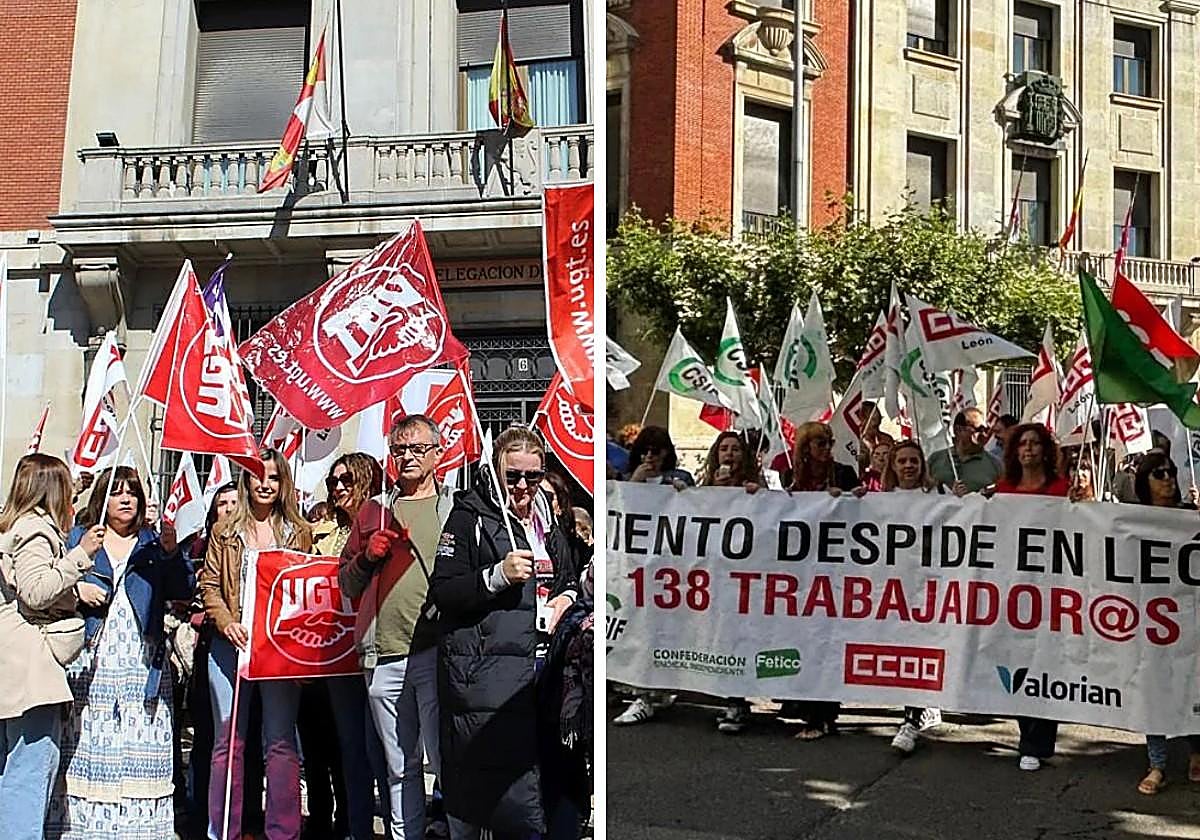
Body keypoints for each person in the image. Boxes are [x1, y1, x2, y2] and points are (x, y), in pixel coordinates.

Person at [430, 426, 566, 839]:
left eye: (533, 476)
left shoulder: (546, 514)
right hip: (487, 673)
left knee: (540, 784)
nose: (523, 486)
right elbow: (444, 591)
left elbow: (567, 573)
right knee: (491, 796)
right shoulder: (469, 514)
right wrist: (496, 576)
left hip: (543, 666)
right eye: (513, 476)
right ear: (495, 471)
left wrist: (567, 596)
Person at [46, 466, 192, 839]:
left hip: (142, 660)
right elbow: (52, 584)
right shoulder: (81, 537)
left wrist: (173, 552)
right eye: (117, 492)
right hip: (93, 656)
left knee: (139, 735)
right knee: (90, 735)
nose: (126, 499)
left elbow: (183, 589)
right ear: (103, 498)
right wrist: (78, 590)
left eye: (133, 493)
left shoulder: (152, 542)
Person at [340, 419, 455, 840]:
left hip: (435, 653)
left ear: (437, 453)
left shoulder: (453, 509)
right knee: (399, 767)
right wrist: (367, 557)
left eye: (416, 448)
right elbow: (346, 583)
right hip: (383, 655)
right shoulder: (374, 510)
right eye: (399, 449)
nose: (406, 456)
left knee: (445, 760)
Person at [199, 449, 312, 840]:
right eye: (257, 476)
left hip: (277, 651)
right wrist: (226, 622)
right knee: (228, 741)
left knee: (280, 741)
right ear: (246, 480)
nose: (265, 484)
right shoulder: (225, 530)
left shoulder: (298, 532)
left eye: (274, 478)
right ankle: (223, 830)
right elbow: (209, 585)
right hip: (230, 647)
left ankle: (283, 831)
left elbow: (304, 591)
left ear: (284, 484)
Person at [0, 455, 105, 840]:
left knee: (13, 767)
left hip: (12, 668)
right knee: (30, 769)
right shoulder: (35, 532)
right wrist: (81, 557)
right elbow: (35, 590)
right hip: (30, 669)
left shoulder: (14, 526)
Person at [310, 453, 391, 840]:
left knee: (386, 750)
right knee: (350, 750)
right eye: (332, 481)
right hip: (335, 656)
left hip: (380, 647)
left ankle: (395, 826)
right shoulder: (318, 533)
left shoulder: (387, 522)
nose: (338, 487)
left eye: (346, 479)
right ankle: (357, 829)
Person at [993, 424, 1068, 771]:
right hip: (1014, 589)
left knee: (1046, 661)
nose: (1028, 450)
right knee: (1021, 659)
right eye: (1022, 444)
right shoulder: (1003, 490)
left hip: (1055, 589)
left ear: (1045, 450)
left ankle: (1038, 742)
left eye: (1035, 443)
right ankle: (1029, 737)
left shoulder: (1062, 490)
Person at [1131, 451, 1200, 793]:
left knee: (1192, 683)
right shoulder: (1130, 519)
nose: (1168, 478)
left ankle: (1196, 751)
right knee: (1154, 686)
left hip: (1189, 616)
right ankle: (1156, 763)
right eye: (1159, 473)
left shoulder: (1190, 516)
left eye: (1171, 471)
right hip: (1149, 618)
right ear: (1144, 482)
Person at [876, 441, 946, 753]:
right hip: (893, 591)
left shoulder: (939, 497)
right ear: (892, 466)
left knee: (923, 651)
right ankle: (920, 709)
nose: (907, 466)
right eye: (901, 461)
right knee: (903, 652)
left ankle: (911, 719)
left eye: (913, 461)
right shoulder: (879, 501)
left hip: (930, 588)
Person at [184, 482, 240, 839]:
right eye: (224, 503)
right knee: (213, 735)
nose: (231, 508)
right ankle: (201, 814)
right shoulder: (204, 547)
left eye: (237, 501)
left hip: (254, 649)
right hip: (214, 643)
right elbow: (202, 589)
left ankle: (244, 816)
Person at [928, 408, 1002, 494]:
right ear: (958, 430)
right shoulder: (935, 460)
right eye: (979, 429)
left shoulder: (995, 464)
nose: (984, 435)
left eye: (986, 430)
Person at [787, 421, 859, 494]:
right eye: (821, 444)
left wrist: (853, 494)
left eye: (830, 443)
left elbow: (855, 502)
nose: (828, 447)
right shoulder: (790, 476)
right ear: (806, 447)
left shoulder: (845, 473)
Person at [624, 426, 695, 487]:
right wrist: (633, 482)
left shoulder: (682, 477)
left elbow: (693, 501)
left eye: (655, 451)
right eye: (644, 450)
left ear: (666, 452)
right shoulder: (626, 478)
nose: (649, 455)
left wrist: (684, 492)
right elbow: (620, 500)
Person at [698, 430, 762, 489]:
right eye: (723, 449)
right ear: (716, 455)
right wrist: (715, 487)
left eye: (735, 449)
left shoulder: (754, 481)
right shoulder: (707, 485)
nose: (729, 453)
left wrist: (757, 492)